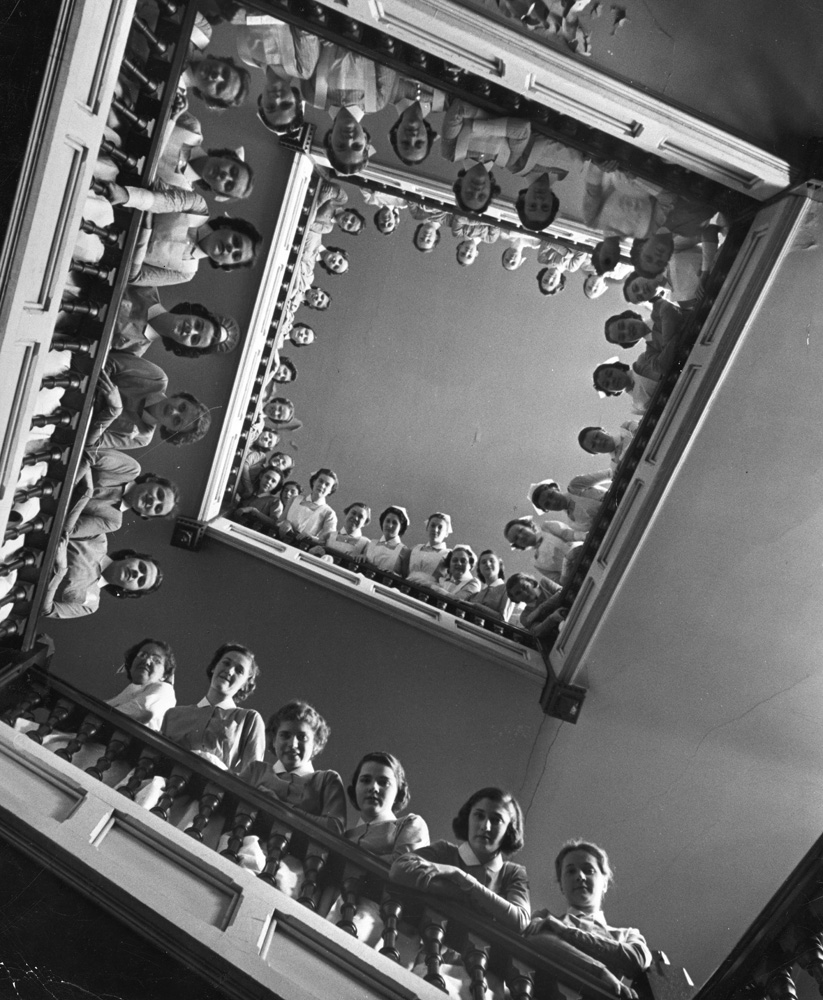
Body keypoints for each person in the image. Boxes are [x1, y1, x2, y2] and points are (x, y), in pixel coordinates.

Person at [390, 786, 529, 996]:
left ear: (510, 829)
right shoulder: (445, 852)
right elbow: (400, 868)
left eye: (497, 819)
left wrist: (465, 880)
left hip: (482, 979)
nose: (485, 825)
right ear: (468, 818)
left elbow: (520, 919)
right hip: (432, 961)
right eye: (479, 816)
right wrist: (459, 890)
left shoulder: (513, 873)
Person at [236, 701, 346, 893]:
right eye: (285, 735)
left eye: (302, 737)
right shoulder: (257, 770)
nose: (293, 744)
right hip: (243, 847)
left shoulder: (326, 780)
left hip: (293, 867)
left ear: (316, 743)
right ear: (274, 740)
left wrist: (278, 807)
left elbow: (334, 827)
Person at [326, 751, 429, 947]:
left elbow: (404, 869)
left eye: (384, 782)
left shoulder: (409, 824)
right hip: (329, 905)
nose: (373, 787)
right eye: (365, 780)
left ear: (398, 790)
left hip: (375, 919)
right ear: (355, 787)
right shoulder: (343, 836)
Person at [527, 840, 652, 989]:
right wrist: (601, 972)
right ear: (561, 885)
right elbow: (535, 938)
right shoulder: (544, 918)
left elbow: (637, 959)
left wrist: (566, 932)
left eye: (589, 870)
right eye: (571, 871)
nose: (580, 876)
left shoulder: (627, 934)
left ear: (605, 883)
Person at [111, 182, 261, 286]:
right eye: (236, 241)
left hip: (110, 242)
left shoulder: (186, 273)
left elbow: (135, 277)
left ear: (225, 265)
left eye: (235, 256)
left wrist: (147, 228)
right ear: (227, 226)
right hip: (120, 200)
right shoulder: (198, 206)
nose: (231, 249)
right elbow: (158, 192)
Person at [88, 358, 211, 451]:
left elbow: (91, 442)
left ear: (170, 430)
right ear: (181, 397)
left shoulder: (142, 438)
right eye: (182, 407)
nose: (173, 411)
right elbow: (109, 361)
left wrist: (113, 411)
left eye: (177, 421)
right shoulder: (157, 378)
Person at [440, 100, 531, 213]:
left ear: (460, 184)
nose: (477, 190)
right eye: (482, 196)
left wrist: (502, 124)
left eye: (469, 194)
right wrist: (475, 125)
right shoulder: (507, 160)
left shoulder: (451, 152)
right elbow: (523, 130)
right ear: (491, 191)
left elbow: (458, 109)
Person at [70, 449, 179, 537]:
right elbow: (88, 455)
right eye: (159, 494)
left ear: (145, 515)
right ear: (151, 480)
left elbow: (70, 530)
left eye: (157, 508)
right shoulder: (131, 469)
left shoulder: (113, 522)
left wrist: (86, 492)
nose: (153, 501)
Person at [112, 288, 240, 358]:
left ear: (185, 346)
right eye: (198, 325)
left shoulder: (134, 351)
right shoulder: (147, 288)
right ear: (193, 313)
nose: (191, 331)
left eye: (195, 339)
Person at [43, 546, 163, 619]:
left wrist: (60, 570)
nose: (137, 574)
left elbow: (47, 610)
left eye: (141, 581)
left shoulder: (91, 605)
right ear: (130, 556)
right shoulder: (98, 541)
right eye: (141, 567)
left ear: (130, 591)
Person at [107, 637, 177, 731]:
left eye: (156, 660)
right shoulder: (129, 690)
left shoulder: (165, 689)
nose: (146, 661)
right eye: (142, 655)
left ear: (164, 675)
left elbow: (143, 711)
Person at [504, 517, 584, 590]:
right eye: (516, 538)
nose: (520, 536)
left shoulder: (548, 527)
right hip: (580, 577)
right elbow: (561, 582)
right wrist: (567, 564)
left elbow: (573, 535)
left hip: (587, 552)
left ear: (529, 526)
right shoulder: (537, 564)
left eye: (521, 530)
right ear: (518, 545)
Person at [388, 82, 446, 165]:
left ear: (395, 133)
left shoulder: (388, 92)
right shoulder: (442, 102)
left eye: (405, 142)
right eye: (419, 142)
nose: (412, 138)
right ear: (427, 134)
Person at [279, 468, 338, 548]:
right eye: (320, 481)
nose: (322, 485)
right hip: (281, 542)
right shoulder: (294, 499)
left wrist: (311, 538)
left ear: (330, 490)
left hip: (303, 549)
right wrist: (286, 523)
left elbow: (327, 541)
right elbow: (279, 522)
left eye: (327, 484)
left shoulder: (329, 513)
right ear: (314, 481)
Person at [528, 476, 609, 533]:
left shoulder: (576, 485)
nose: (554, 502)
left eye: (551, 495)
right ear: (546, 510)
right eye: (547, 504)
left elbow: (610, 473)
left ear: (555, 488)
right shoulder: (573, 524)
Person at [178, 52, 251, 110]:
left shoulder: (175, 91)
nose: (217, 76)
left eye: (219, 87)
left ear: (207, 98)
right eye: (225, 72)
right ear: (221, 61)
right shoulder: (199, 36)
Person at [228, 466, 284, 533]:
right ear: (261, 476)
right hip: (230, 527)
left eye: (273, 481)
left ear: (277, 486)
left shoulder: (275, 501)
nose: (269, 482)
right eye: (267, 477)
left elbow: (275, 524)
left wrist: (254, 511)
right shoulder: (248, 492)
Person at [591, 360, 657, 415]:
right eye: (607, 384)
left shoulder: (641, 364)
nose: (612, 380)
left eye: (610, 373)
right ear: (610, 391)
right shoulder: (636, 407)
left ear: (619, 368)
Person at [406, 512, 452, 588]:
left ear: (446, 533)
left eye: (440, 527)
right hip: (407, 586)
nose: (435, 529)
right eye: (432, 525)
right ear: (427, 528)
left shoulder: (448, 554)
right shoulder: (416, 548)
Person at [361, 506, 411, 574]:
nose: (390, 525)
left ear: (401, 527)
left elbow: (405, 577)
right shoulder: (371, 543)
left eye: (394, 523)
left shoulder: (404, 551)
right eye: (387, 521)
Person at [465, 550, 512, 621]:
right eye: (483, 562)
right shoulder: (475, 595)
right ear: (479, 569)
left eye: (491, 561)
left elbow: (503, 619)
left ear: (499, 566)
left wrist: (476, 606)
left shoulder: (507, 589)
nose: (487, 564)